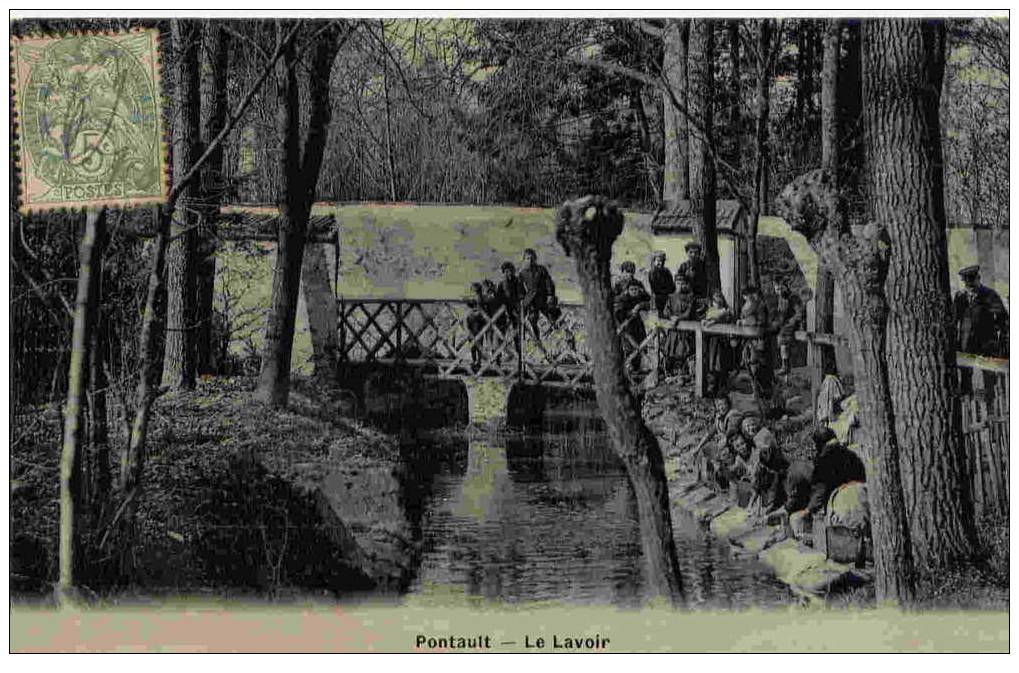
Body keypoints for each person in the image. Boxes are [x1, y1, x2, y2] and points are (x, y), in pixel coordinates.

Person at [954, 265, 1008, 395]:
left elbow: (1003, 319)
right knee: (966, 374)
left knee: (989, 373)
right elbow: (955, 318)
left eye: (972, 280)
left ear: (978, 278)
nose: (969, 285)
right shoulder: (960, 297)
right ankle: (968, 405)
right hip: (966, 341)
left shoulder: (989, 295)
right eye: (966, 282)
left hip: (987, 341)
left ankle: (992, 403)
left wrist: (1002, 339)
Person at [688, 395, 743, 485]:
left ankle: (726, 481)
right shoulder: (719, 417)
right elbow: (709, 433)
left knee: (719, 456)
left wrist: (717, 453)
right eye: (718, 405)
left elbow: (730, 433)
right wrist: (698, 447)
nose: (721, 407)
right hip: (723, 446)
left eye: (723, 404)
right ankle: (703, 478)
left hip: (734, 448)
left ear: (728, 404)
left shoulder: (733, 415)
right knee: (704, 448)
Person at [736, 285, 774, 407]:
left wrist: (746, 322)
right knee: (750, 364)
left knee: (761, 365)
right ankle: (755, 391)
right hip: (749, 340)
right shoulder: (746, 307)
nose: (748, 298)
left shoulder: (760, 305)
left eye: (750, 295)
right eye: (746, 296)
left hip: (760, 339)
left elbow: (761, 322)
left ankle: (765, 394)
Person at [659, 276, 703, 379]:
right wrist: (671, 316)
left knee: (685, 350)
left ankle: (686, 372)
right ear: (675, 284)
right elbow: (666, 310)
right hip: (674, 330)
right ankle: (675, 372)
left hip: (685, 329)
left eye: (683, 283)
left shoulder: (690, 297)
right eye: (678, 283)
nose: (681, 286)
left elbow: (688, 313)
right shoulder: (671, 297)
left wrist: (678, 318)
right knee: (672, 350)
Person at [613, 261, 651, 373]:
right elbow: (614, 301)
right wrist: (624, 296)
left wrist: (640, 305)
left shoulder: (638, 284)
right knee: (625, 343)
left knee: (640, 341)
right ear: (622, 272)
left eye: (631, 272)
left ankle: (637, 367)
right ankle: (625, 367)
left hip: (636, 321)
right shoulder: (618, 284)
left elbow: (647, 299)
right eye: (627, 272)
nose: (629, 275)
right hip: (623, 320)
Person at [518, 248, 560, 345]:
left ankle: (557, 335)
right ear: (524, 260)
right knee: (532, 319)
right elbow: (519, 288)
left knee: (552, 316)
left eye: (532, 258)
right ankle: (536, 340)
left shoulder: (541, 270)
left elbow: (549, 283)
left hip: (543, 298)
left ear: (535, 259)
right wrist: (522, 298)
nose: (530, 261)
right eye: (527, 258)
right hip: (531, 300)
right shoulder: (523, 273)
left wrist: (550, 295)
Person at [702, 290, 735, 396]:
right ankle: (712, 388)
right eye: (715, 301)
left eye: (719, 301)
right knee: (711, 364)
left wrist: (713, 321)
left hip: (722, 341)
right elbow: (707, 318)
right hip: (712, 341)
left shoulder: (725, 311)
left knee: (721, 363)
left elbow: (720, 317)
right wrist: (707, 321)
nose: (717, 303)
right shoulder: (711, 310)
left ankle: (722, 388)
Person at [770, 278, 806, 375]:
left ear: (785, 287)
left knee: (783, 337)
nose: (779, 291)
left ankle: (785, 365)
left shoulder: (793, 298)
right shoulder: (781, 298)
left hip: (793, 323)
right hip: (784, 322)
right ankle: (780, 363)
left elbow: (799, 314)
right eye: (777, 289)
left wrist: (791, 321)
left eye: (781, 289)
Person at [496, 261, 525, 361]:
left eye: (510, 271)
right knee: (500, 333)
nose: (509, 273)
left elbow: (521, 296)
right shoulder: (501, 284)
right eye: (506, 271)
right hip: (504, 312)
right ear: (504, 272)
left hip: (515, 311)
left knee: (517, 334)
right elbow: (498, 298)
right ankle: (498, 356)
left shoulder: (517, 281)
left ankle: (519, 356)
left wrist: (517, 309)